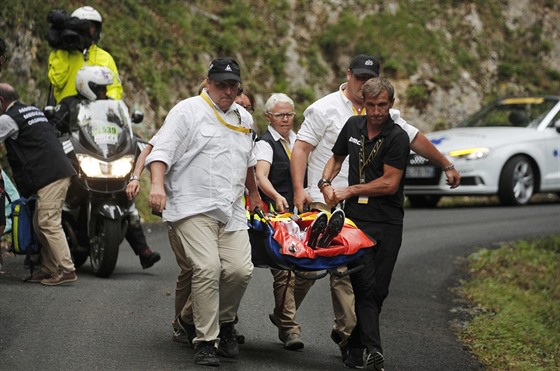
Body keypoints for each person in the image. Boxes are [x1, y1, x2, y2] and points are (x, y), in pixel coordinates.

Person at [290, 54, 461, 357]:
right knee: (308, 269)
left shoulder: (388, 119)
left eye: (371, 78)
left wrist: (446, 164)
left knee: (349, 275)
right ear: (348, 75)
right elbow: (302, 148)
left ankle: (350, 338)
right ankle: (286, 318)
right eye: (360, 78)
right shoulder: (325, 108)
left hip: (362, 203)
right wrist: (302, 190)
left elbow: (416, 139)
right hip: (324, 199)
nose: (365, 84)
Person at [145, 57, 260, 367]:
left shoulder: (244, 118)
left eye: (232, 85)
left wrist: (255, 194)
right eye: (220, 84)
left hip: (232, 208)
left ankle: (220, 323)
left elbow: (248, 162)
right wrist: (156, 185)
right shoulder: (187, 111)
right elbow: (161, 151)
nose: (226, 90)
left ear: (239, 87)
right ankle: (206, 341)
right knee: (207, 268)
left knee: (239, 270)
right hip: (192, 205)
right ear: (208, 83)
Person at [321, 77, 409, 369]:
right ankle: (374, 351)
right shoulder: (352, 127)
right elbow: (335, 158)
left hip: (387, 220)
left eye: (382, 105)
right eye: (370, 105)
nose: (375, 112)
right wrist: (325, 182)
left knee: (379, 290)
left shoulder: (397, 137)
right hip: (356, 221)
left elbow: (390, 183)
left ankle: (355, 344)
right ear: (364, 104)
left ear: (391, 104)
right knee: (363, 287)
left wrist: (350, 190)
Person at [50, 65, 161, 269]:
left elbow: (123, 129)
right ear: (86, 86)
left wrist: (133, 141)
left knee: (127, 200)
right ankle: (47, 250)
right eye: (99, 88)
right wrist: (57, 133)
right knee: (57, 198)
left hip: (107, 158)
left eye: (105, 88)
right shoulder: (68, 104)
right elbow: (54, 127)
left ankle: (144, 251)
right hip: (80, 161)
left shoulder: (111, 106)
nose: (104, 92)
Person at [0, 83, 77, 285]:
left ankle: (66, 269)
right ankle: (49, 268)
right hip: (56, 171)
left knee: (48, 222)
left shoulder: (9, 119)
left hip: (51, 175)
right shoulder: (31, 110)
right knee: (38, 222)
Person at [254, 93, 311, 350]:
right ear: (268, 117)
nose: (286, 119)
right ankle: (289, 329)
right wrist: (276, 196)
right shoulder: (265, 144)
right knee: (284, 271)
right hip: (274, 216)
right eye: (280, 115)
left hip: (301, 216)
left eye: (289, 114)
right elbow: (260, 176)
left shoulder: (299, 140)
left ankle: (280, 314)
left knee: (308, 270)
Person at [48, 6, 122, 104]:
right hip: (66, 113)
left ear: (97, 30)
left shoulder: (105, 58)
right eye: (83, 26)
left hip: (96, 113)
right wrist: (63, 48)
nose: (87, 30)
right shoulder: (61, 53)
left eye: (91, 27)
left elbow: (114, 87)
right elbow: (57, 82)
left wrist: (109, 103)